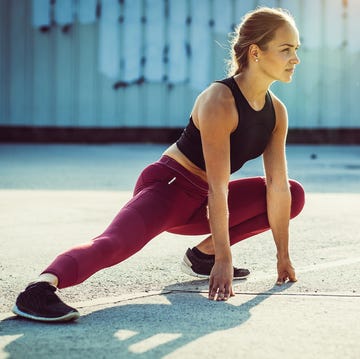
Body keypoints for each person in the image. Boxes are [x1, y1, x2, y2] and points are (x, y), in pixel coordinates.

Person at [13, 7, 305, 322]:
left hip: (204, 201)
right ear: (255, 52)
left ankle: (201, 257)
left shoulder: (277, 112)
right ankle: (39, 290)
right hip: (169, 188)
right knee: (114, 244)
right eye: (285, 49)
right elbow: (218, 187)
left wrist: (283, 257)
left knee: (293, 193)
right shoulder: (220, 101)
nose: (295, 59)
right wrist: (225, 256)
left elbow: (276, 185)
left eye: (296, 50)